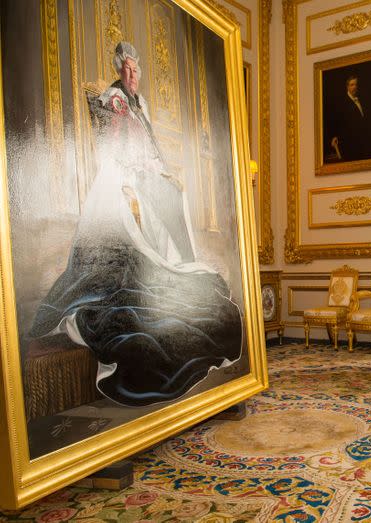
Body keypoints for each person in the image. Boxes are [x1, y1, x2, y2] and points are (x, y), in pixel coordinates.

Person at [28, 42, 243, 407]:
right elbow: (112, 146)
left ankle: (176, 272)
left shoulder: (140, 105)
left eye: (135, 71)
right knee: (136, 213)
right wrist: (130, 174)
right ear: (120, 71)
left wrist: (164, 172)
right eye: (126, 70)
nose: (131, 76)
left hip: (142, 172)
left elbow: (151, 148)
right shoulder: (115, 98)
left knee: (175, 195)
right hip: (120, 174)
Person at [327, 74, 371, 162]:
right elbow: (337, 121)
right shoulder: (342, 103)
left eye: (356, 84)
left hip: (364, 141)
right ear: (347, 87)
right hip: (351, 144)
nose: (355, 87)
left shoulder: (361, 99)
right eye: (352, 85)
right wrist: (335, 136)